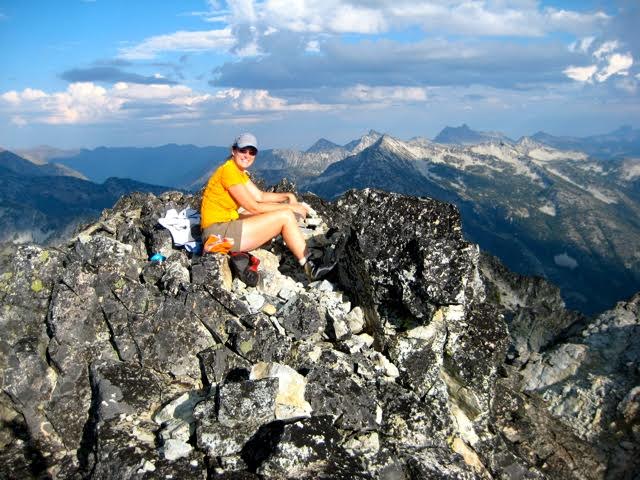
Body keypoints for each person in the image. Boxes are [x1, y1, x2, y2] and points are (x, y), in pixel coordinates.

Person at [200, 132, 326, 280]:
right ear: (233, 151)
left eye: (252, 152)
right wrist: (290, 208)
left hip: (223, 224)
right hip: (217, 232)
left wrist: (288, 197)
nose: (247, 155)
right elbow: (254, 206)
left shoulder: (236, 171)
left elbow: (259, 196)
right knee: (284, 217)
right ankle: (310, 265)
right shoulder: (228, 172)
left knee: (265, 213)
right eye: (243, 150)